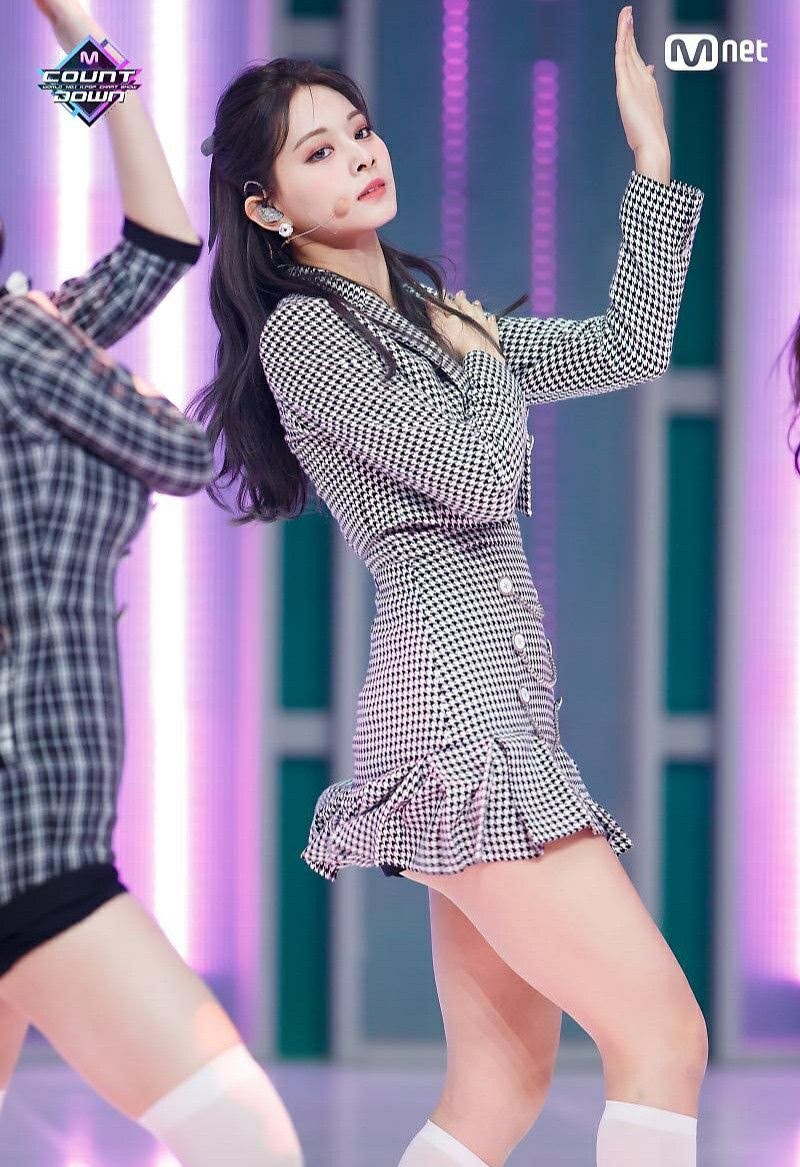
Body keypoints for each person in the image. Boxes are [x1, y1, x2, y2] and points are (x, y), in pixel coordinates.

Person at [193, 6, 706, 1166]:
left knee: (499, 1087)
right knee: (662, 1036)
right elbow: (476, 476)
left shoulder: (426, 320)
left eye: (358, 130)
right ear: (266, 208)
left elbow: (626, 347)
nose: (359, 154)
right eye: (318, 149)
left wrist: (649, 166)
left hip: (487, 713)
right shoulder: (306, 337)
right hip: (456, 723)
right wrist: (481, 366)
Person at [0, 3, 304, 1165]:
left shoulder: (30, 340)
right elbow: (179, 452)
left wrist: (76, 35)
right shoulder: (20, 344)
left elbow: (157, 243)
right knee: (243, 1136)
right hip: (30, 833)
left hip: (43, 816)